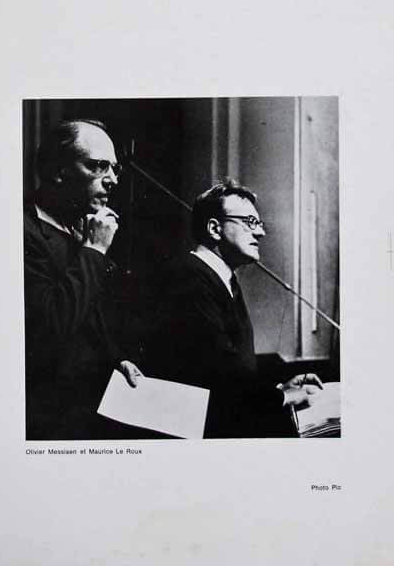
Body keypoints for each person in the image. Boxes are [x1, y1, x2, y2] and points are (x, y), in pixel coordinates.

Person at [148, 180, 323, 438]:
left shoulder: (222, 280)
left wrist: (279, 386)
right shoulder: (189, 278)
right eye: (250, 222)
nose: (260, 233)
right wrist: (283, 397)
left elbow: (236, 364)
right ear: (214, 229)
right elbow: (219, 376)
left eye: (259, 223)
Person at [24, 119, 142, 440]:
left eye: (114, 169)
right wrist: (94, 250)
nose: (113, 180)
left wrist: (116, 359)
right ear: (58, 171)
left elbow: (91, 320)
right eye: (97, 166)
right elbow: (51, 325)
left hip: (96, 408)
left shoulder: (79, 229)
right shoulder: (23, 230)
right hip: (50, 421)